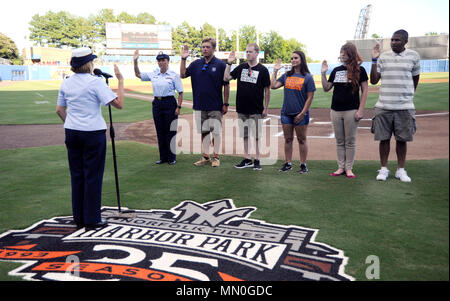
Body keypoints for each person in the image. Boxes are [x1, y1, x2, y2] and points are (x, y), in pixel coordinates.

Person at [56, 47, 124, 230]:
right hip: (93, 133)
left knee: (77, 175)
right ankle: (92, 218)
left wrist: (70, 122)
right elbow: (119, 104)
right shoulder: (96, 82)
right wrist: (121, 81)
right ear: (88, 63)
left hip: (72, 132)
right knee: (92, 176)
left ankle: (79, 217)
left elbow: (59, 110)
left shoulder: (66, 82)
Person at [370, 29, 420, 182]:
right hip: (383, 105)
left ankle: (400, 170)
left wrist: (407, 96)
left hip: (404, 106)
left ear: (405, 41)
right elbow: (373, 80)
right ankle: (383, 169)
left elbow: (415, 80)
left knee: (402, 140)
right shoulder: (383, 57)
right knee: (383, 139)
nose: (393, 42)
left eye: (397, 40)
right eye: (392, 40)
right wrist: (373, 60)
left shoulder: (414, 56)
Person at [180, 37, 230, 167]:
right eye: (203, 47)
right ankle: (206, 156)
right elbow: (183, 74)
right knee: (204, 132)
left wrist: (226, 103)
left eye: (207, 47)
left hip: (215, 105)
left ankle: (216, 157)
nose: (205, 49)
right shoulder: (196, 64)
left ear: (213, 49)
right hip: (199, 105)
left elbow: (226, 85)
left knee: (216, 132)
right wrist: (183, 59)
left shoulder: (220, 65)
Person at [321, 42, 368, 179]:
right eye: (341, 52)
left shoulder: (360, 70)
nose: (342, 54)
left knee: (350, 141)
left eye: (345, 52)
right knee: (339, 140)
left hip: (351, 110)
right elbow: (326, 88)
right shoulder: (336, 70)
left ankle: (349, 168)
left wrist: (361, 110)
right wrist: (323, 73)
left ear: (351, 54)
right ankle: (341, 167)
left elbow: (365, 90)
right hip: (335, 110)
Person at [223, 43, 271, 171]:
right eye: (247, 52)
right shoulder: (241, 67)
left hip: (256, 108)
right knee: (244, 135)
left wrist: (266, 108)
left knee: (256, 135)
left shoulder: (263, 70)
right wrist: (229, 63)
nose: (247, 54)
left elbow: (267, 90)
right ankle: (247, 158)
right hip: (242, 107)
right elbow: (226, 77)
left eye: (250, 52)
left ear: (257, 53)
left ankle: (257, 159)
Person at [134, 50, 184, 165]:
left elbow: (180, 92)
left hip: (170, 103)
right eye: (159, 61)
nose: (161, 62)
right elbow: (138, 74)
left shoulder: (173, 75)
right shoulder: (154, 74)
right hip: (157, 103)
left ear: (168, 61)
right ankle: (163, 157)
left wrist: (179, 107)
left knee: (170, 131)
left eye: (163, 60)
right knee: (160, 131)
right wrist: (135, 61)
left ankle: (171, 157)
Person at [271, 51, 316, 173]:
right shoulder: (286, 75)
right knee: (288, 139)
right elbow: (273, 85)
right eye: (291, 58)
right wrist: (275, 71)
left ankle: (303, 164)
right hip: (286, 113)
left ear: (301, 59)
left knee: (301, 139)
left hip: (301, 114)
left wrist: (302, 114)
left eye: (295, 58)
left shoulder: (307, 77)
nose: (293, 60)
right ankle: (288, 163)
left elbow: (310, 97)